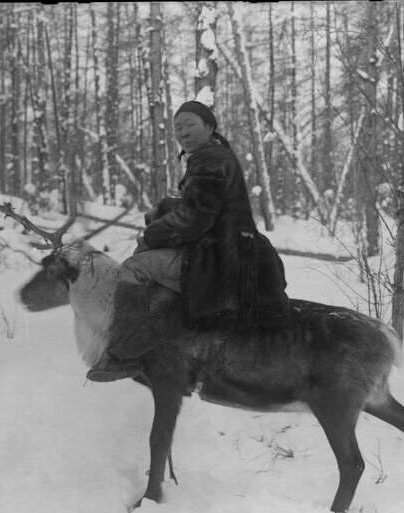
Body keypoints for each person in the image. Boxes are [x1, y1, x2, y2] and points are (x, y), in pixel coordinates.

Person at [88, 100, 290, 382]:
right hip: (231, 250)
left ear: (209, 127)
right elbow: (206, 205)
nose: (182, 131)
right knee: (151, 254)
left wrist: (153, 232)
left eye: (190, 124)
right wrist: (164, 209)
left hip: (219, 258)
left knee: (135, 267)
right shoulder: (215, 156)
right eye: (177, 127)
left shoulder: (209, 161)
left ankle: (126, 355)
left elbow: (196, 219)